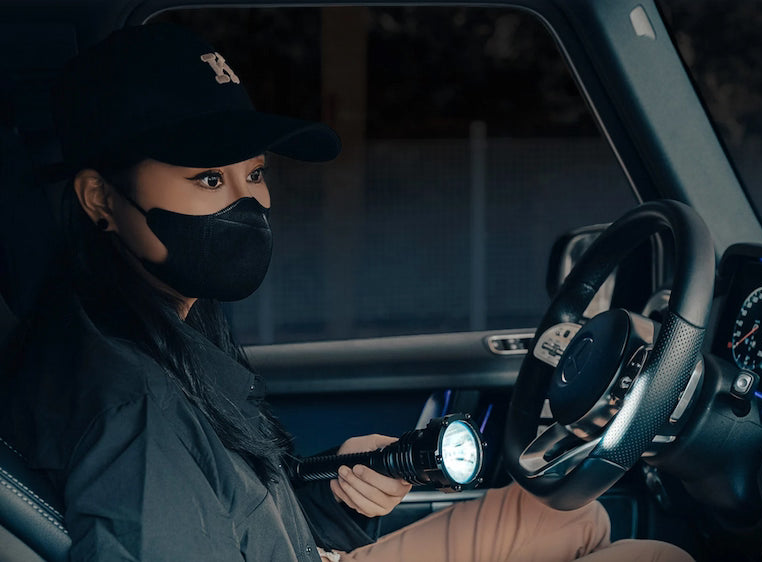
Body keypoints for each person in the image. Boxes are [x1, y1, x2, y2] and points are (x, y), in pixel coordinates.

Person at [0, 23, 693, 561]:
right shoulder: (134, 414)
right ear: (99, 199)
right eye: (209, 180)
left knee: (570, 515)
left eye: (255, 174)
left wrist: (337, 502)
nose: (249, 203)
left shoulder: (165, 317)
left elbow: (229, 512)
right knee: (651, 554)